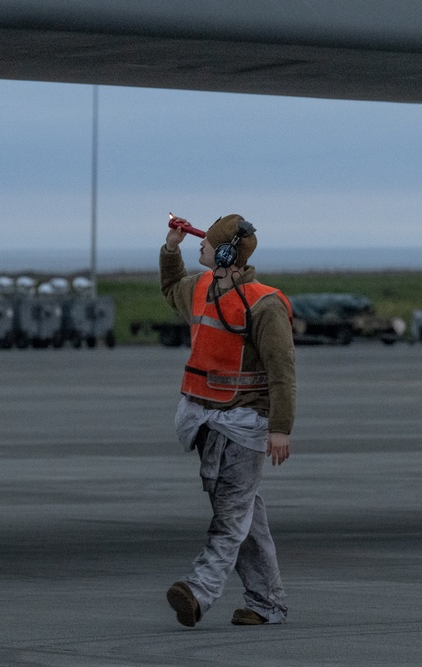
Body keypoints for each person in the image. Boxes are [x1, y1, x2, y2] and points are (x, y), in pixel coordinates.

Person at [161, 213, 295, 628]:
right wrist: (171, 248)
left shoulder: (265, 304)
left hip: (247, 424)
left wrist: (279, 428)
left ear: (224, 253)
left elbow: (282, 370)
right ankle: (267, 603)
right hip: (207, 422)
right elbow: (170, 288)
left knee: (231, 517)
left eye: (206, 242)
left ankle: (198, 591)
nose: (199, 245)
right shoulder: (201, 288)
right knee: (246, 519)